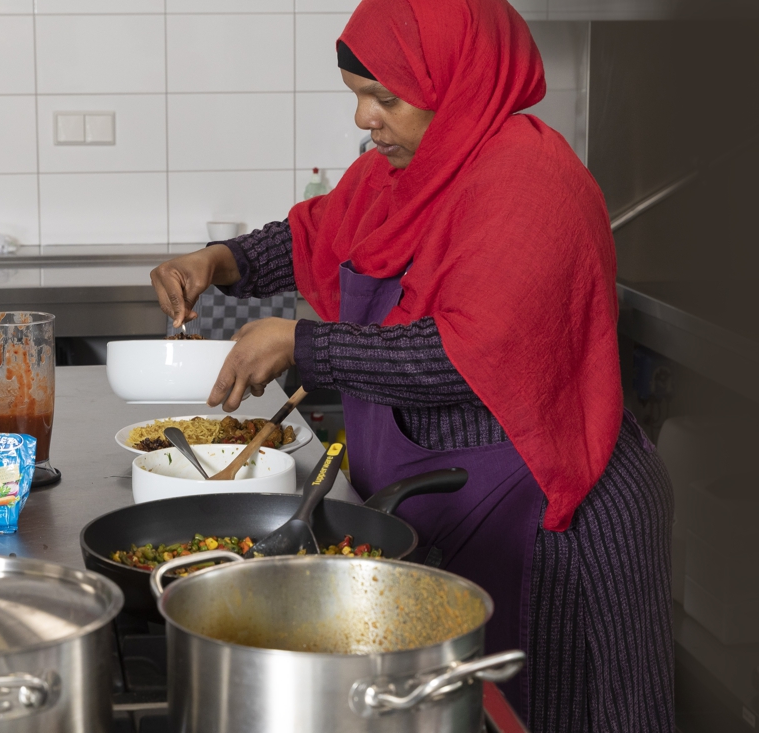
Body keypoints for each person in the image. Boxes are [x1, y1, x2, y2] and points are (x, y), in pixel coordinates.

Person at [149, 0, 675, 730]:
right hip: (455, 506)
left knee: (552, 712)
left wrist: (302, 342)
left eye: (384, 98)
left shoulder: (528, 183)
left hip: (556, 526)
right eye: (358, 96)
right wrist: (221, 260)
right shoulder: (406, 173)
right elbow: (317, 234)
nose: (365, 119)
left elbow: (466, 357)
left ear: (456, 82)